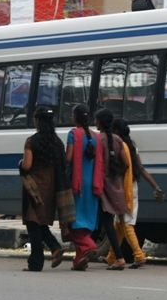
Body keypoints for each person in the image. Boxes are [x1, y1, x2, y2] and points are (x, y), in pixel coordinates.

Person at [104, 118, 165, 268]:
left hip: (124, 190)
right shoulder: (132, 147)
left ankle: (139, 255)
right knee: (118, 224)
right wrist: (155, 187)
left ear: (116, 132)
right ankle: (112, 256)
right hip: (133, 188)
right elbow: (141, 169)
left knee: (127, 224)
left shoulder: (119, 147)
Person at [19, 106, 65, 271]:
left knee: (33, 223)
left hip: (34, 188)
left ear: (37, 121)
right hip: (51, 187)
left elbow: (27, 165)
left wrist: (20, 164)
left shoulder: (31, 141)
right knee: (40, 221)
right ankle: (54, 247)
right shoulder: (58, 142)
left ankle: (36, 262)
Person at [94, 108, 131, 270]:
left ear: (100, 122)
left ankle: (119, 257)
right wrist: (116, 174)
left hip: (100, 185)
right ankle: (88, 252)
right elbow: (126, 164)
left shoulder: (97, 139)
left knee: (105, 222)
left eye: (96, 120)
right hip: (113, 184)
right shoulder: (117, 140)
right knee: (105, 220)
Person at [65, 104, 102, 270]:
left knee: (73, 221)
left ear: (75, 117)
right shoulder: (96, 137)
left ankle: (89, 247)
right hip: (92, 184)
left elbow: (69, 158)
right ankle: (79, 260)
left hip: (77, 184)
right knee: (85, 222)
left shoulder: (73, 134)